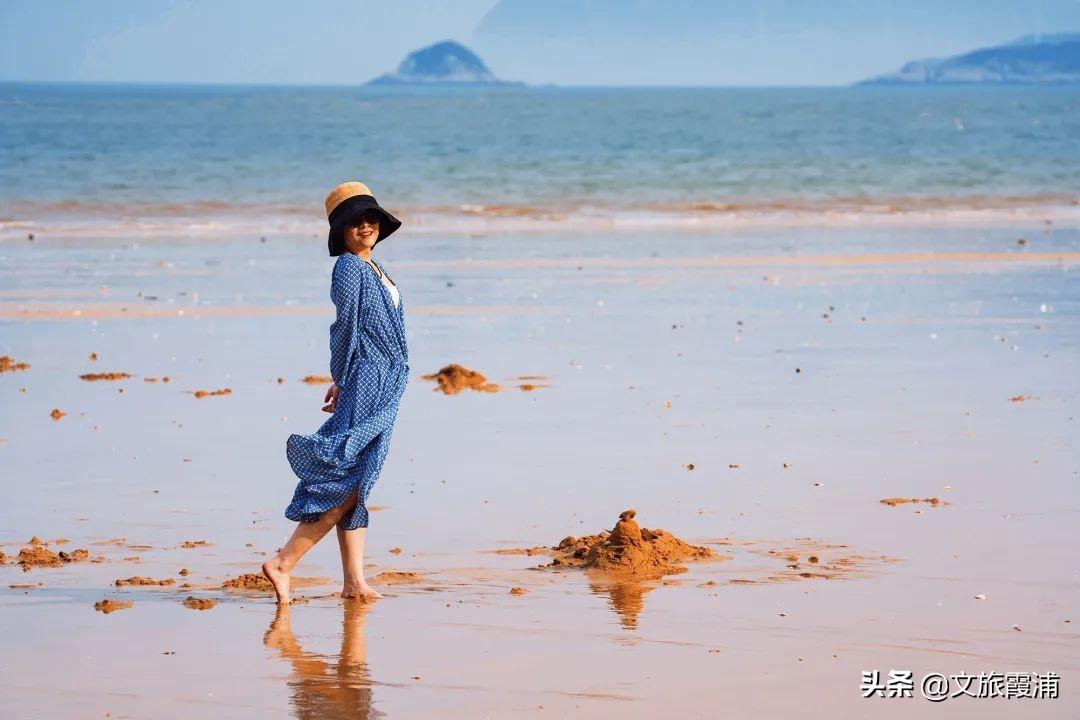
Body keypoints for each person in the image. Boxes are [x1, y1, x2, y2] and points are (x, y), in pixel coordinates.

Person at [262, 182, 408, 605]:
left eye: (370, 217)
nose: (364, 225)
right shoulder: (349, 268)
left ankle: (353, 581)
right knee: (347, 480)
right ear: (341, 230)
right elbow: (344, 327)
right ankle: (283, 563)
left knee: (360, 480)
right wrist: (343, 377)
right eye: (354, 221)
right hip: (368, 380)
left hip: (384, 380)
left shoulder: (376, 268)